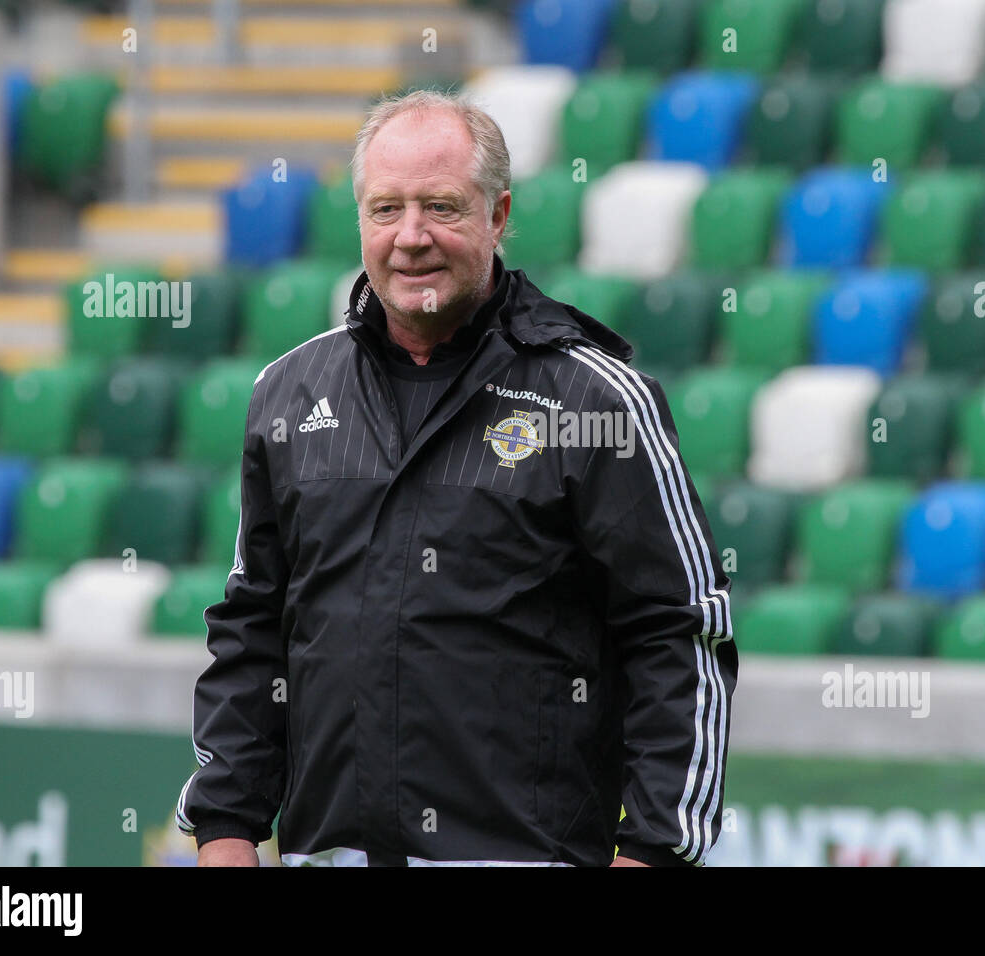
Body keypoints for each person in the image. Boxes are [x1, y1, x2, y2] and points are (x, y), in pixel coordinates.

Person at [175, 89, 737, 867]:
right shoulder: (289, 393)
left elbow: (681, 635)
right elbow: (253, 630)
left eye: (441, 207)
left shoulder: (595, 401)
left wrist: (653, 850)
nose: (411, 238)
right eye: (385, 209)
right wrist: (226, 830)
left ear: (499, 215)